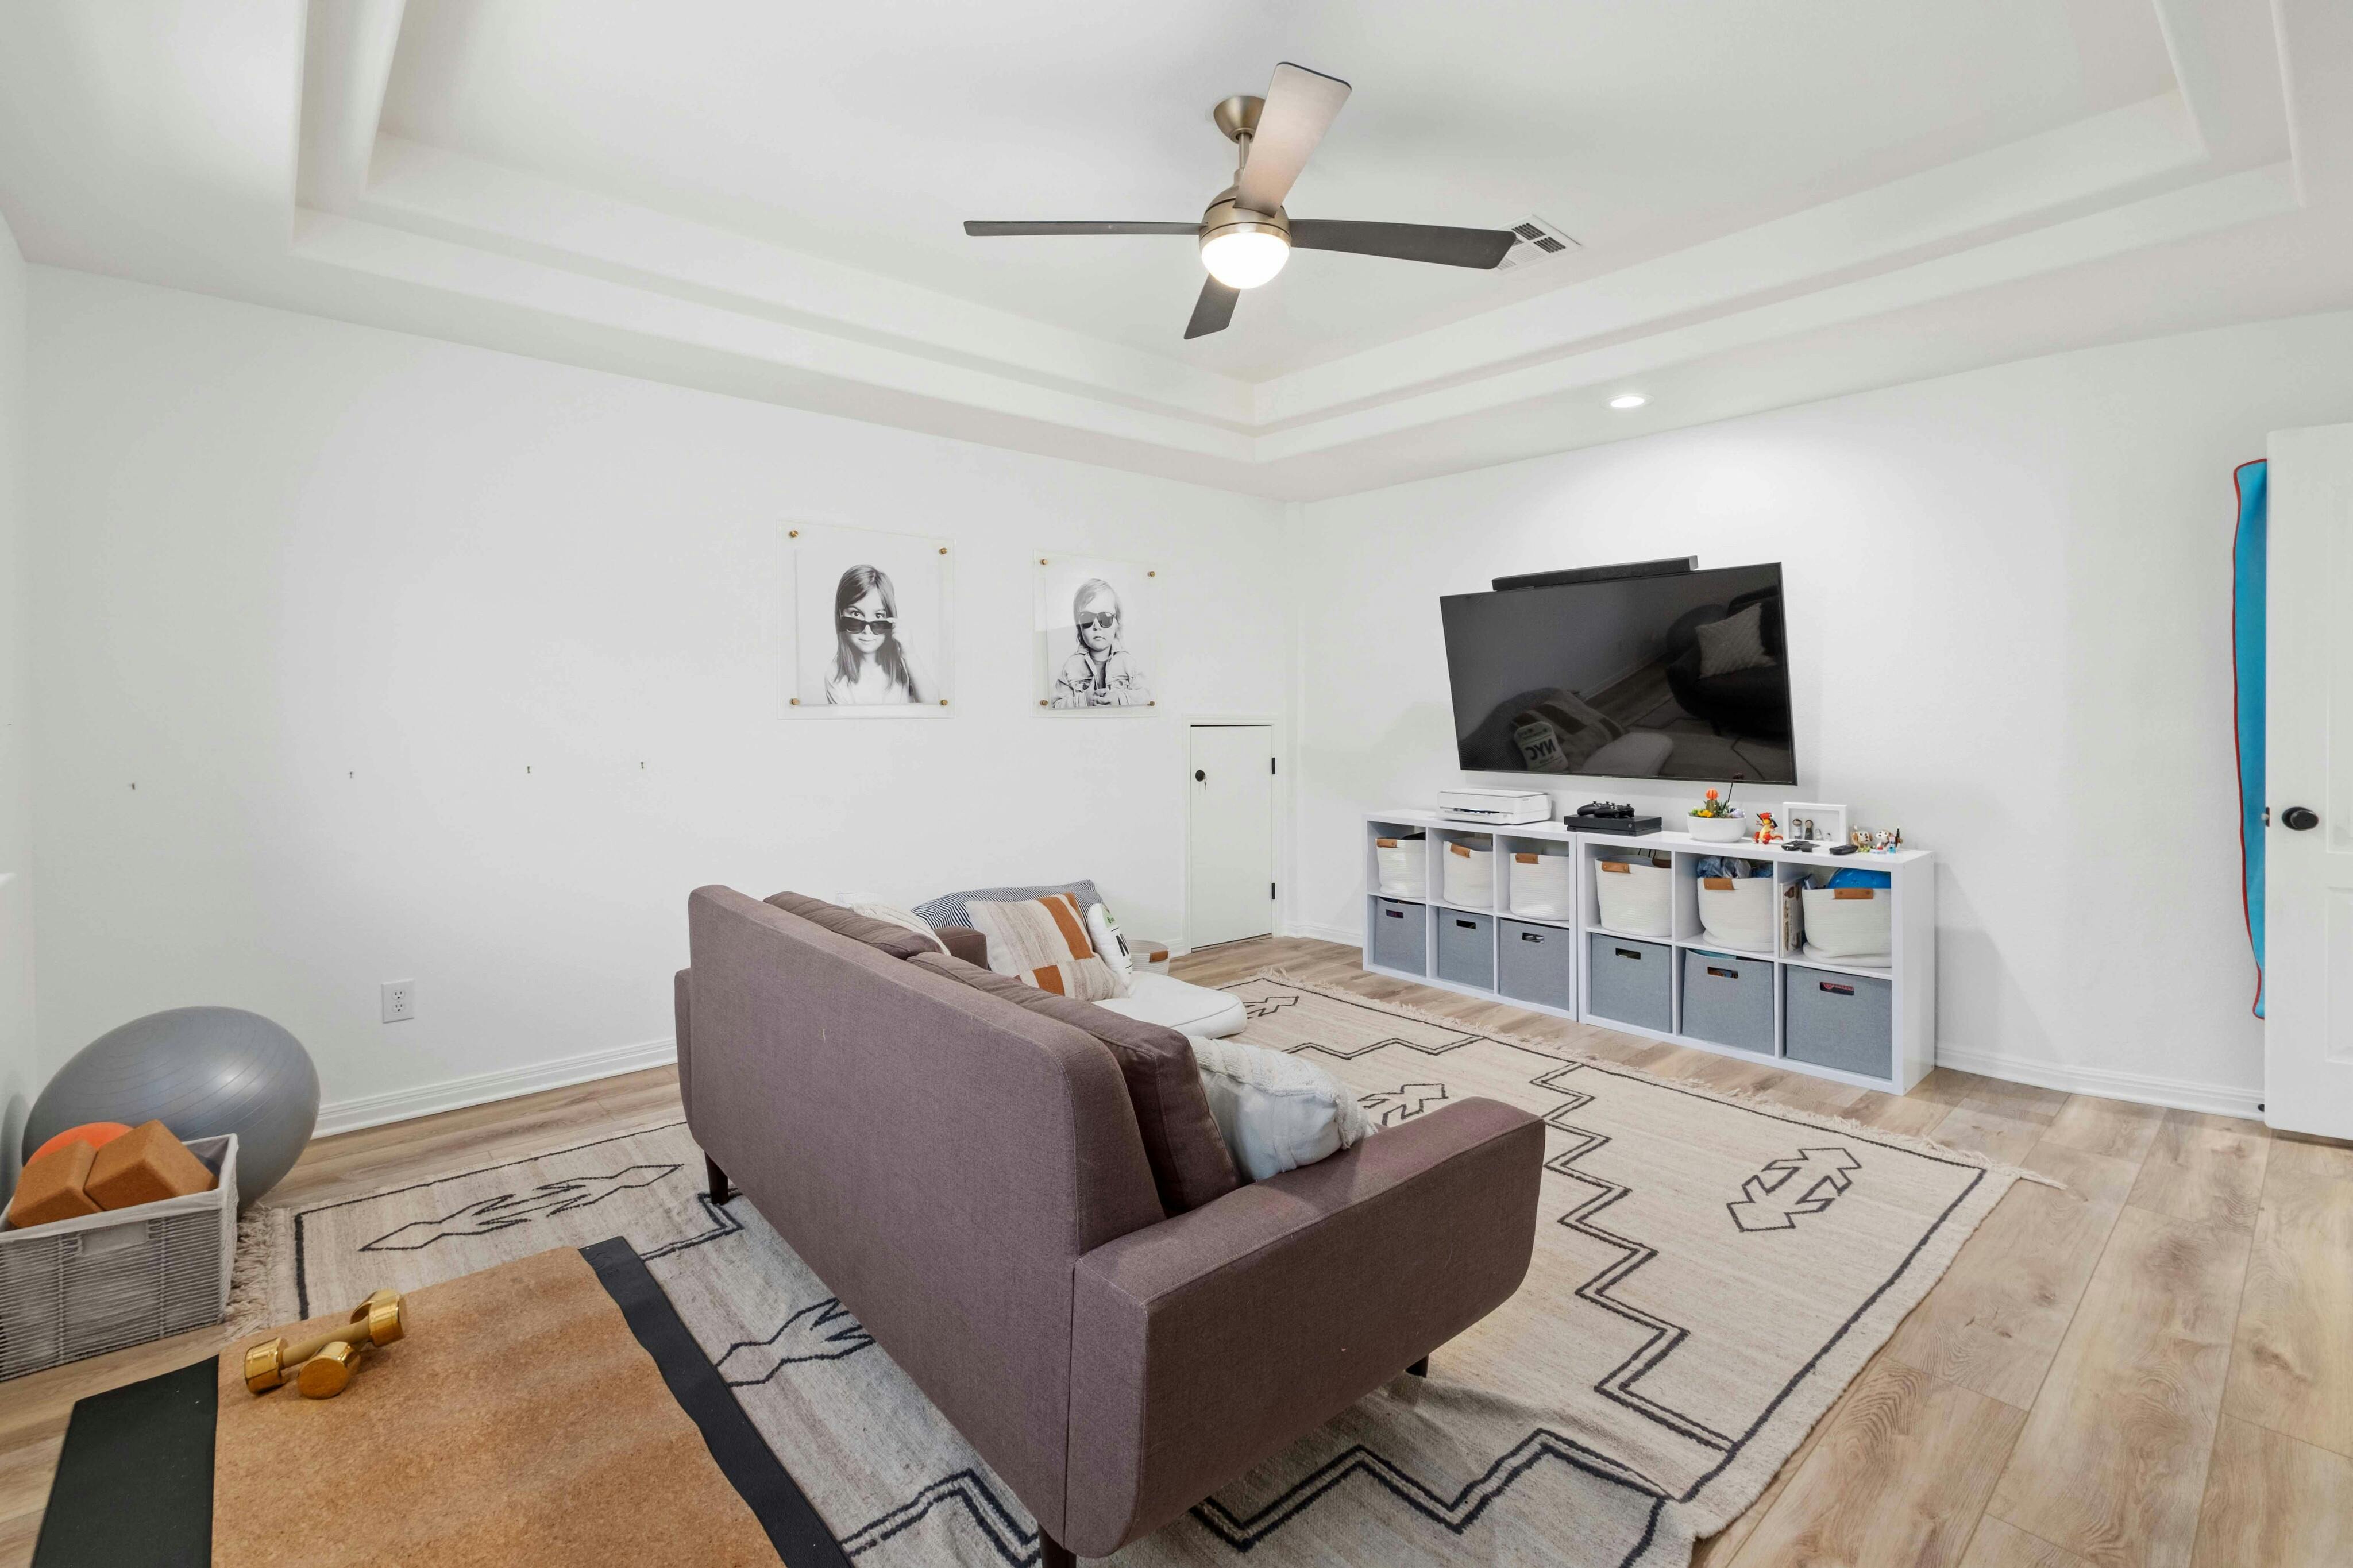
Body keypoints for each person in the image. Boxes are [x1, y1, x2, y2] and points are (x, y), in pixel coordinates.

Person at [824, 564, 932, 705]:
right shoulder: (835, 675)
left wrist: (910, 655)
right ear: (841, 615)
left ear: (890, 616)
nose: (867, 630)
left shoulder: (906, 659)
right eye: (856, 614)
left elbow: (934, 706)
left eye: (878, 616)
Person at [1051, 577, 1150, 707]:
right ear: (1079, 626)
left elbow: (1147, 698)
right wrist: (1084, 700)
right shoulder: (1071, 667)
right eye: (1087, 618)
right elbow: (1056, 705)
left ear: (1117, 624)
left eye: (1105, 618)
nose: (1097, 626)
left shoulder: (1129, 664)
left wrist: (1120, 699)